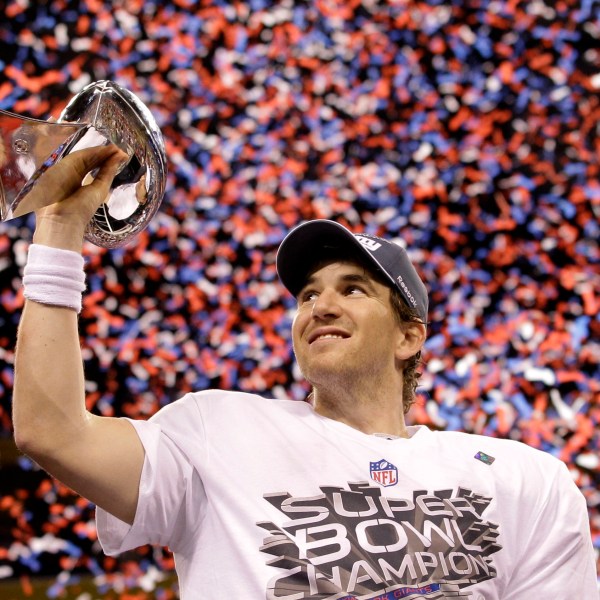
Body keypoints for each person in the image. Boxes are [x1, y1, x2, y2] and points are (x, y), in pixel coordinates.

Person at [13, 145, 597, 599]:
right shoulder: (215, 431)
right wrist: (61, 231)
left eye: (353, 289)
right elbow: (54, 433)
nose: (319, 305)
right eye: (306, 295)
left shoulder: (526, 481)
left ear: (408, 335)